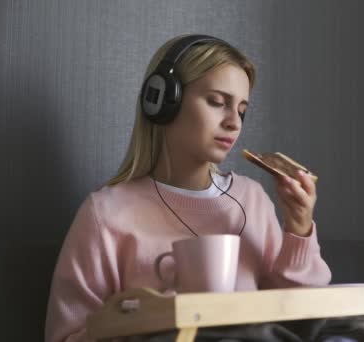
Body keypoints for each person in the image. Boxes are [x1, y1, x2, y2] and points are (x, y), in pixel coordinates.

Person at [45, 34, 332, 342]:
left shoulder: (251, 200)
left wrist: (298, 229)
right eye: (217, 102)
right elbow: (65, 337)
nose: (234, 122)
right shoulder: (106, 214)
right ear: (163, 101)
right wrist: (157, 318)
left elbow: (300, 319)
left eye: (242, 110)